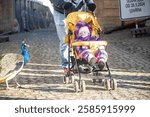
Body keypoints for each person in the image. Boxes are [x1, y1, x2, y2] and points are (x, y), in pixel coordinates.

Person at [49, 0, 96, 74]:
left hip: (77, 12)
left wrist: (90, 3)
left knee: (81, 38)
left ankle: (82, 60)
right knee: (65, 41)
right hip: (62, 12)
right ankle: (67, 66)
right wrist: (63, 4)